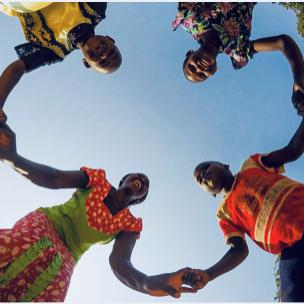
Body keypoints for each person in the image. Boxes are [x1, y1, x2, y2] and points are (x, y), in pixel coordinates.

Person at [0, 124, 199, 301]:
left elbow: (120, 262)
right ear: (124, 179)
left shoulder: (129, 225)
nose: (143, 181)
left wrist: (146, 283)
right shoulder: (97, 181)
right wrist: (15, 159)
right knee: (25, 247)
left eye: (146, 186)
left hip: (68, 256)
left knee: (52, 290)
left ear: (140, 199)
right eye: (138, 176)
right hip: (46, 225)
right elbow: (55, 178)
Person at [191, 117, 304, 301]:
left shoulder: (251, 164)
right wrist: (209, 274)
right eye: (200, 179)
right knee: (291, 297)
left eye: (205, 167)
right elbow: (239, 250)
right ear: (211, 193)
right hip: (293, 248)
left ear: (225, 166)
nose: (203, 174)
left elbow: (292, 151)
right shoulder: (224, 214)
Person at [172, 2, 304, 116]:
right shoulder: (238, 51)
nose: (199, 68)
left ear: (190, 53)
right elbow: (282, 42)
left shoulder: (189, 19)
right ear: (213, 71)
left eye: (192, 67)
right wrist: (299, 78)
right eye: (201, 75)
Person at [0, 2, 122, 123]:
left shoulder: (53, 52)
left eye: (102, 63)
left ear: (86, 63)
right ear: (110, 39)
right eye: (112, 52)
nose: (104, 55)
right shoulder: (96, 8)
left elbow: (18, 68)